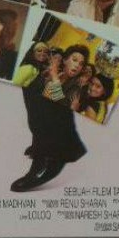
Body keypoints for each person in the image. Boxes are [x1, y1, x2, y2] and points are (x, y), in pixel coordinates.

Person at [11, 43, 91, 192]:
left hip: (61, 140)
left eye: (81, 64)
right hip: (42, 127)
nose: (77, 65)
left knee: (51, 113)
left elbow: (60, 104)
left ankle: (50, 161)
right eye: (74, 60)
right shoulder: (53, 74)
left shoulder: (77, 86)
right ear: (65, 60)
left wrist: (53, 74)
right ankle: (39, 146)